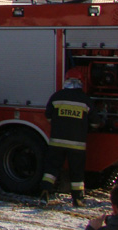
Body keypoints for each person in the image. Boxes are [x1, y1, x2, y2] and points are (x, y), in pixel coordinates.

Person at [40, 67, 99, 207]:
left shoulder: (57, 97)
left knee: (51, 169)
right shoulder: (85, 100)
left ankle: (45, 193)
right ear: (81, 82)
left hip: (57, 143)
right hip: (77, 145)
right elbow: (96, 123)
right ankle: (78, 199)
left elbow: (48, 116)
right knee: (76, 173)